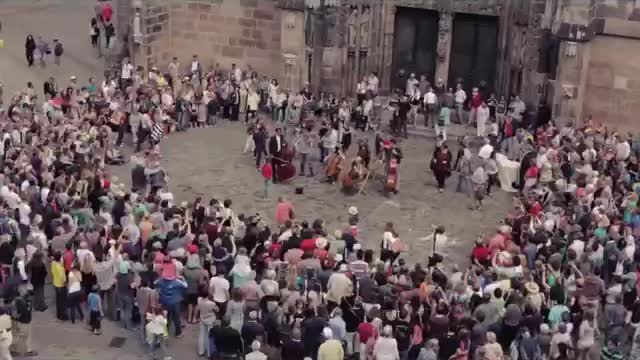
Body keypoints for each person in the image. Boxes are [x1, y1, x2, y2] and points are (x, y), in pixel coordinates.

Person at [11, 284, 36, 357]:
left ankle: (15, 350)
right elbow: (24, 312)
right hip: (23, 322)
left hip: (21, 321)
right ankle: (13, 350)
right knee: (21, 336)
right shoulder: (21, 301)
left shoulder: (19, 299)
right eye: (29, 292)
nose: (30, 294)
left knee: (21, 336)